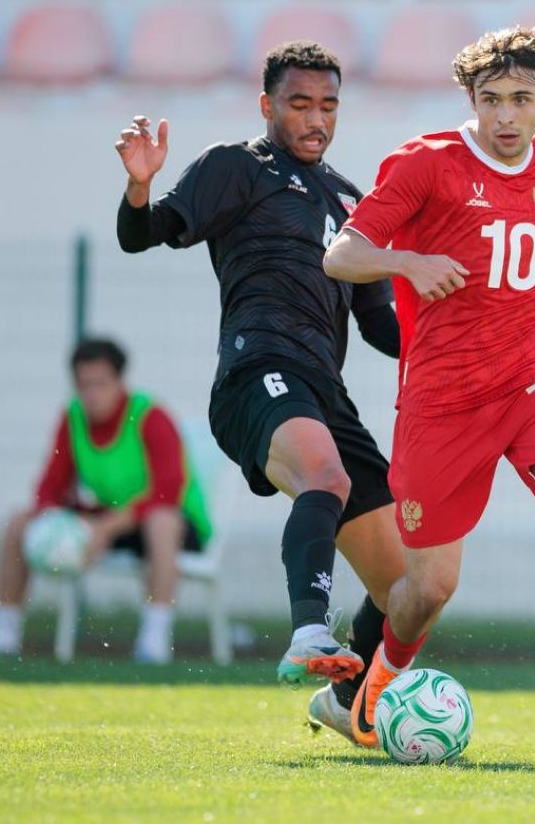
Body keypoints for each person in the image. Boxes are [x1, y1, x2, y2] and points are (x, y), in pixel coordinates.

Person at [323, 26, 535, 746]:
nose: (505, 116)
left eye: (521, 99)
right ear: (470, 99)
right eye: (491, 99)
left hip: (533, 371)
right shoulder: (426, 164)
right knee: (429, 589)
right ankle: (377, 678)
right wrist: (408, 263)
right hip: (444, 397)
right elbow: (341, 255)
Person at [112, 41, 405, 739]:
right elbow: (144, 234)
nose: (316, 119)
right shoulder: (237, 166)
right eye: (300, 104)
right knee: (325, 477)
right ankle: (309, 632)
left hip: (326, 393)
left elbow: (380, 327)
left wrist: (464, 327)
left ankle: (344, 698)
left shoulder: (353, 201)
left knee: (408, 587)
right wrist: (139, 187)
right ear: (267, 105)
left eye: (328, 105)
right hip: (256, 370)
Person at [0, 338, 212, 664]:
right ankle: (3, 637)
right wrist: (54, 523)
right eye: (84, 385)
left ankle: (154, 640)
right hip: (110, 518)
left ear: (120, 381)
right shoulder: (73, 417)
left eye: (100, 384)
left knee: (162, 522)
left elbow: (168, 489)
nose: (92, 394)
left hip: (169, 521)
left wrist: (105, 528)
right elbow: (51, 485)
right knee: (18, 521)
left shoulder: (151, 415)